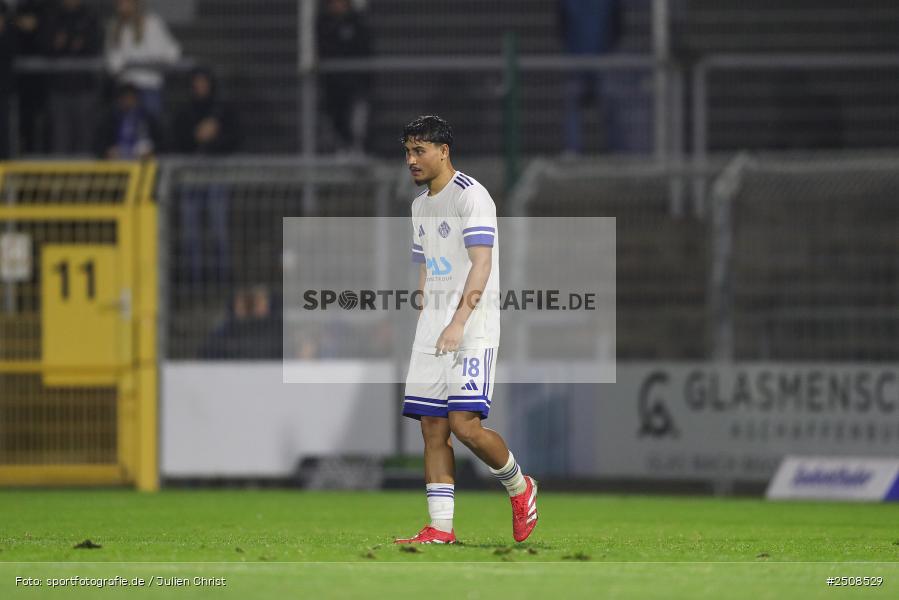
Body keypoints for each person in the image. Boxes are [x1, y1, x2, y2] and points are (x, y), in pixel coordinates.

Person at [394, 116, 538, 545]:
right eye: (408, 151)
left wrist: (457, 321)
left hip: (472, 325)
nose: (411, 160)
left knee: (465, 425)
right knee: (432, 428)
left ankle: (520, 486)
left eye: (419, 151)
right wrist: (425, 315)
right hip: (433, 330)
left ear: (443, 151)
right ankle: (440, 527)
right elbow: (426, 265)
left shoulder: (471, 196)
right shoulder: (420, 206)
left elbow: (482, 262)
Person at [173, 67, 240, 288]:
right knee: (190, 230)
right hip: (190, 175)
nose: (200, 86)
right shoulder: (184, 112)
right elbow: (177, 142)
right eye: (197, 82)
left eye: (204, 82)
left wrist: (214, 136)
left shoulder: (222, 111)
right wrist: (196, 136)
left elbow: (235, 140)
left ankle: (222, 278)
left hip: (216, 173)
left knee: (218, 227)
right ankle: (194, 279)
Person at [558, 0, 652, 155]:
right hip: (585, 60)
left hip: (593, 60)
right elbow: (563, 25)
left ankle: (585, 149)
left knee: (607, 104)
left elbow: (617, 25)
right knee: (579, 105)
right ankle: (577, 149)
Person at [43, 0, 102, 154]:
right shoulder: (53, 16)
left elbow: (97, 45)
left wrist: (83, 43)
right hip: (59, 87)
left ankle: (85, 167)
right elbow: (43, 46)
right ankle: (60, 168)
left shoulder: (89, 16)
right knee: (60, 136)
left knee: (84, 134)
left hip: (84, 86)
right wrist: (56, 44)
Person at [105, 0, 180, 117]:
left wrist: (157, 61)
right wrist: (120, 66)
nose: (123, 5)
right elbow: (113, 60)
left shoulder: (152, 22)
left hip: (150, 85)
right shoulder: (115, 27)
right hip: (127, 88)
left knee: (151, 124)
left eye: (126, 2)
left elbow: (172, 50)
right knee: (128, 124)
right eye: (120, 3)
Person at [316, 0, 371, 154]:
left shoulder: (357, 22)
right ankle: (340, 149)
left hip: (354, 83)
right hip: (333, 84)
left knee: (357, 118)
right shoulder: (324, 23)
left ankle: (357, 148)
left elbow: (363, 48)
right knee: (335, 118)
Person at [93, 81, 161, 159]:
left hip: (141, 160)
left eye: (131, 98)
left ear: (137, 99)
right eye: (125, 98)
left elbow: (161, 143)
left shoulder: (147, 118)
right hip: (116, 161)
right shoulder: (110, 119)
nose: (128, 101)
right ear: (119, 100)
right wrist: (107, 151)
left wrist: (151, 150)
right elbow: (98, 144)